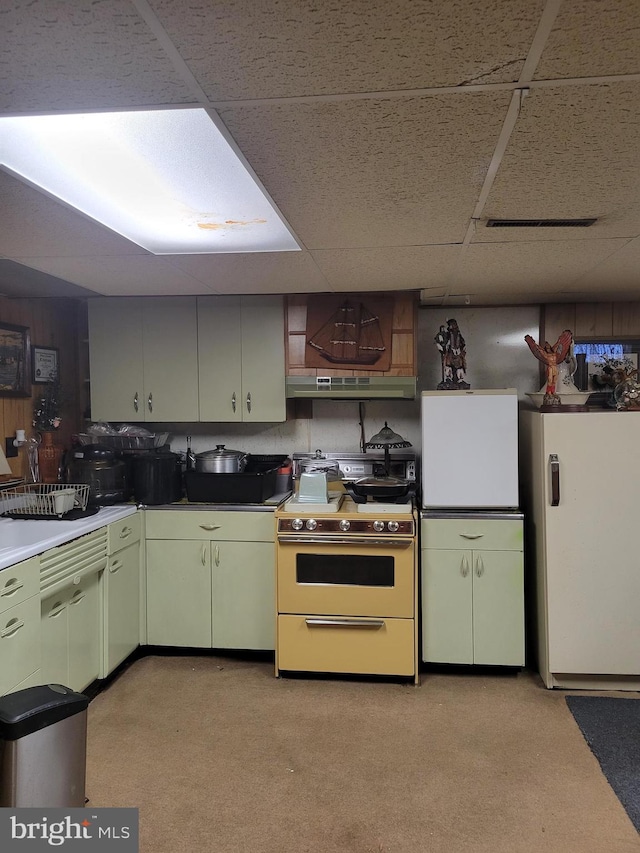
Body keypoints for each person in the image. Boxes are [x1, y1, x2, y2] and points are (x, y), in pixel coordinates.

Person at [524, 329, 573, 397]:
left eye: (549, 347)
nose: (548, 348)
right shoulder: (546, 355)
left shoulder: (555, 355)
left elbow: (558, 346)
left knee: (554, 380)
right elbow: (539, 350)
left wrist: (559, 341)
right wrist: (534, 344)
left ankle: (553, 392)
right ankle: (548, 392)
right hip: (550, 367)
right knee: (550, 380)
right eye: (547, 348)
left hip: (555, 367)